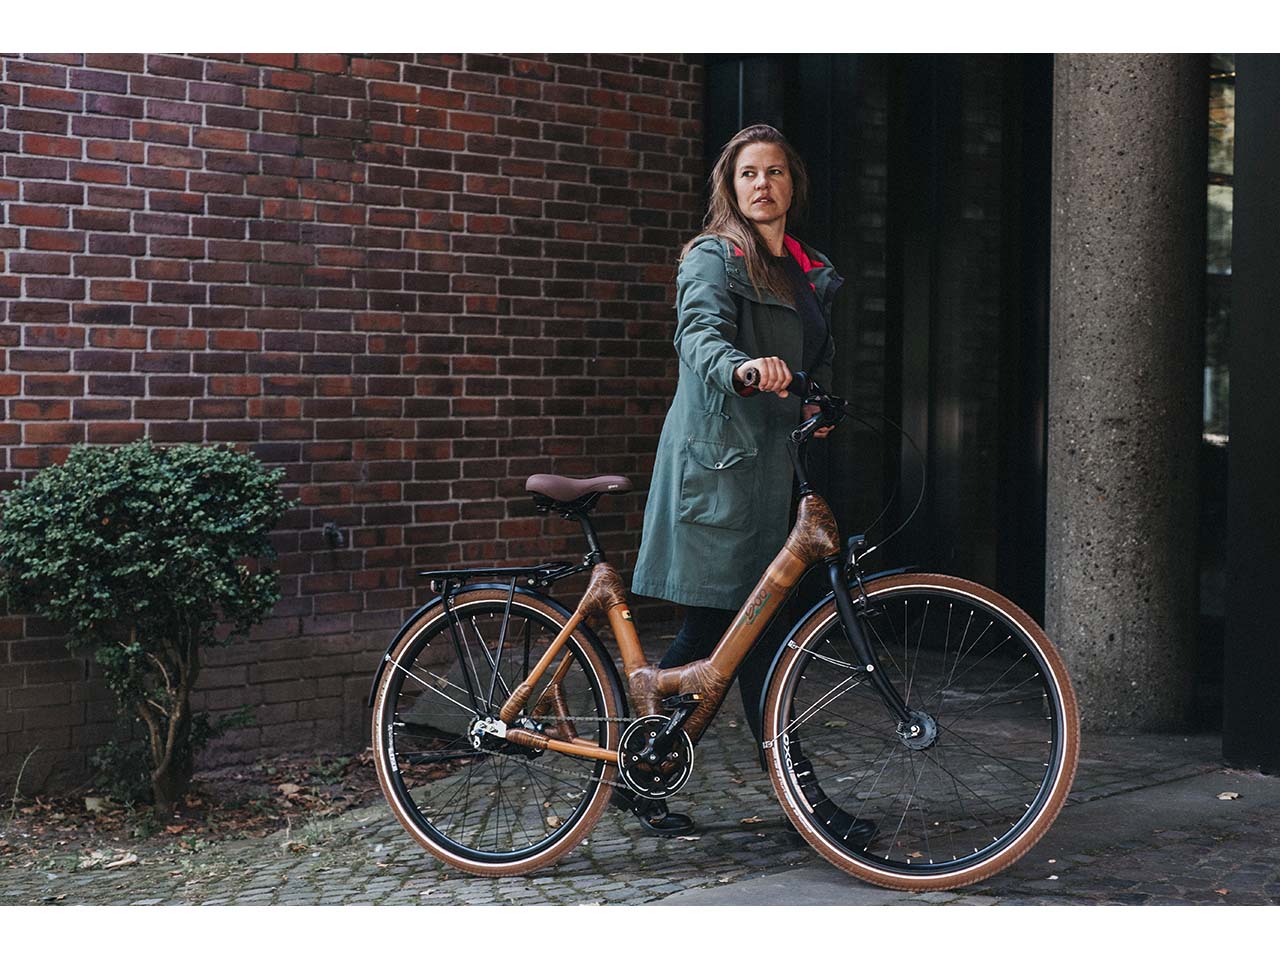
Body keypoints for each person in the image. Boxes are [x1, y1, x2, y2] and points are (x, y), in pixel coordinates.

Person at [622, 124, 848, 835]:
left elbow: (814, 355)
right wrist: (742, 368)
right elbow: (698, 335)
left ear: (792, 183)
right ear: (731, 185)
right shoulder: (715, 257)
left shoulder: (810, 270)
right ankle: (804, 801)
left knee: (730, 634)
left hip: (776, 472)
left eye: (774, 171)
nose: (762, 184)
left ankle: (639, 769)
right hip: (721, 470)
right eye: (749, 173)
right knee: (748, 633)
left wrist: (815, 402)